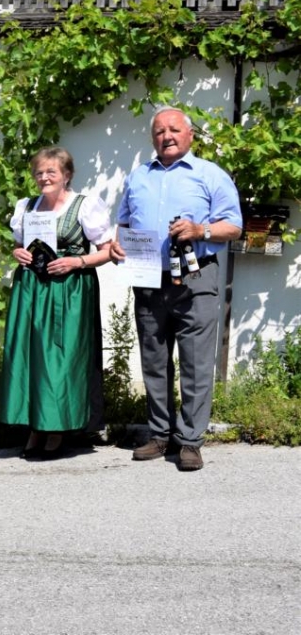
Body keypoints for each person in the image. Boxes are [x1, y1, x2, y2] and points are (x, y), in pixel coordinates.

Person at [110, 107, 242, 472]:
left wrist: (201, 231)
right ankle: (159, 435)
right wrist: (118, 244)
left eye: (173, 130)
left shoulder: (209, 175)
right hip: (150, 278)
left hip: (197, 278)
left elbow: (234, 226)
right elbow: (123, 222)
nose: (166, 136)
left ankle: (190, 441)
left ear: (190, 135)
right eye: (158, 131)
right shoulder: (138, 176)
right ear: (152, 139)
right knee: (154, 359)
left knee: (197, 362)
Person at [0, 148, 114, 460]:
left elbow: (107, 251)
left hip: (69, 289)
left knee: (61, 358)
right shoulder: (27, 206)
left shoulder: (85, 205)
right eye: (39, 172)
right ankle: (36, 425)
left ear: (67, 175)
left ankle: (58, 427)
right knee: (31, 355)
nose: (44, 177)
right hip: (32, 288)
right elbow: (20, 245)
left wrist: (76, 261)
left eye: (52, 172)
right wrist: (17, 253)